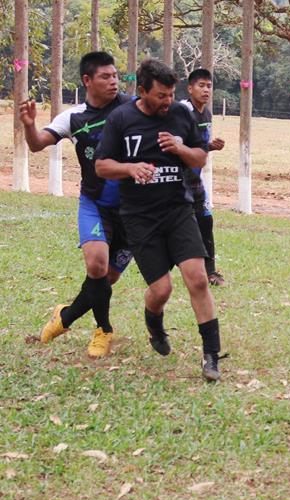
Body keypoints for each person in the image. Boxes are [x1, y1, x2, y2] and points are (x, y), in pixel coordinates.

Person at [95, 59, 225, 382]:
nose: (168, 101)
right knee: (161, 290)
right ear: (142, 91)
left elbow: (200, 156)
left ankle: (211, 356)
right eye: (161, 96)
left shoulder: (181, 115)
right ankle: (153, 321)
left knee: (197, 278)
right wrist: (130, 168)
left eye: (171, 94)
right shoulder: (122, 119)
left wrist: (181, 148)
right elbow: (101, 165)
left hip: (178, 211)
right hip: (140, 218)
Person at [19, 51, 133, 358]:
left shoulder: (131, 108)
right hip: (94, 203)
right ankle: (104, 330)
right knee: (96, 264)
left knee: (107, 278)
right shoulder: (73, 117)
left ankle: (64, 317)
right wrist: (30, 125)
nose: (113, 82)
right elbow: (37, 143)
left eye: (115, 76)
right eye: (105, 77)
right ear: (87, 80)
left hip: (134, 210)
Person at [179, 68, 226, 286]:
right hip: (177, 180)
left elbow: (198, 147)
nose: (206, 90)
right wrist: (206, 146)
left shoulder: (205, 113)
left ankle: (211, 271)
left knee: (206, 221)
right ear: (190, 88)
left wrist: (211, 147)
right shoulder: (181, 111)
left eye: (209, 86)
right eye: (201, 85)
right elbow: (177, 145)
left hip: (195, 180)